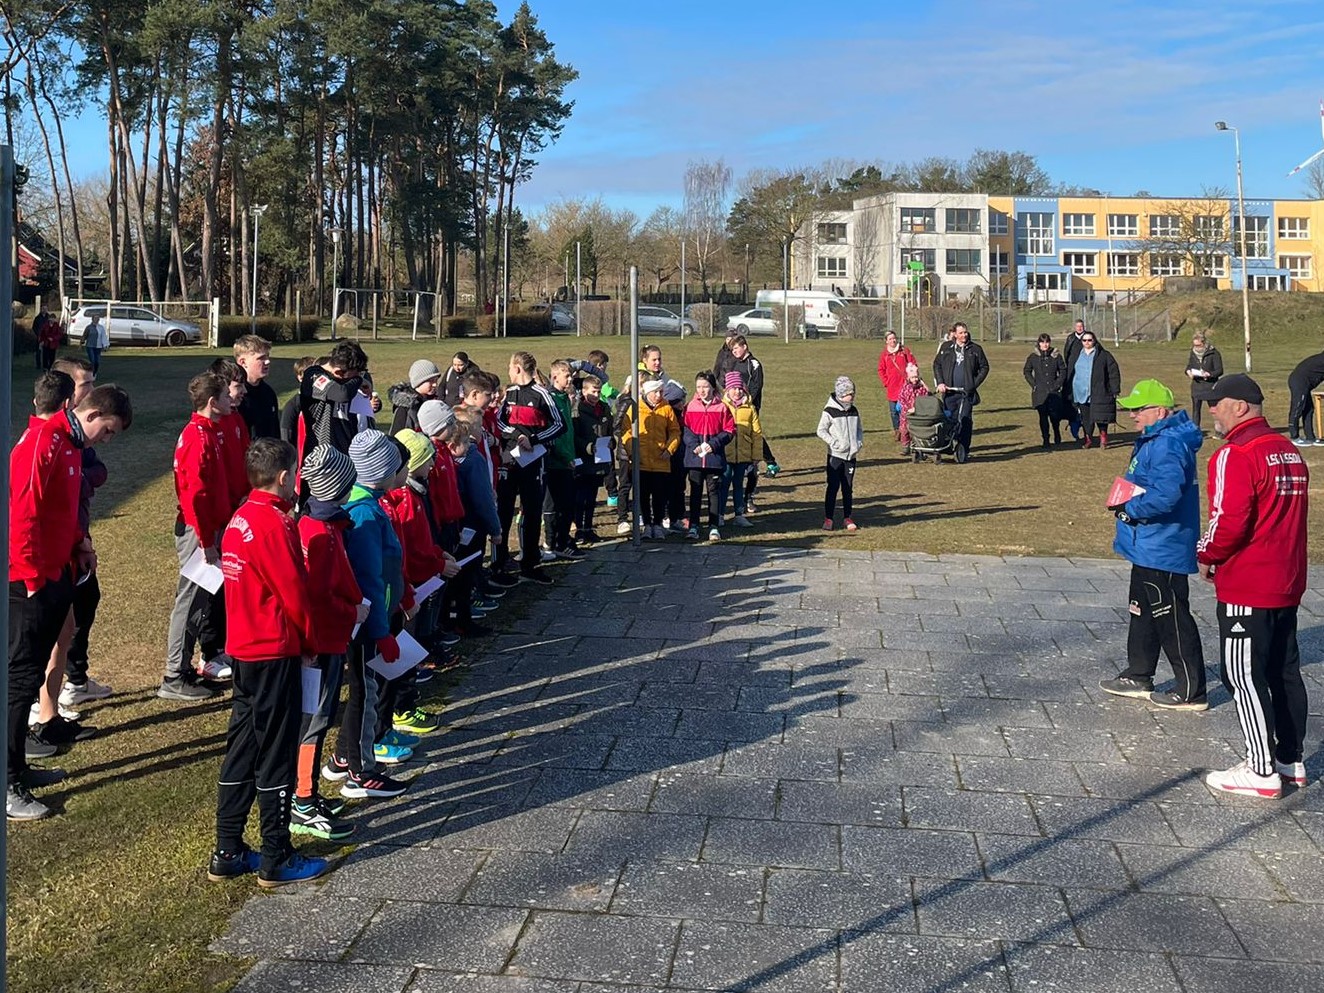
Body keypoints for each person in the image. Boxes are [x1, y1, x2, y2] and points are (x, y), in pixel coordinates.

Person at [208, 437, 329, 887]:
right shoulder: (274, 524)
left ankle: (228, 848)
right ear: (285, 477)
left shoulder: (240, 518)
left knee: (241, 746)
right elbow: (293, 592)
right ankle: (277, 854)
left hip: (243, 648)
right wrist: (310, 641)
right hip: (273, 650)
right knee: (276, 751)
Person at [8, 382, 132, 820]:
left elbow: (63, 508)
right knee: (20, 677)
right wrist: (31, 578)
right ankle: (7, 781)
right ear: (93, 413)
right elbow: (23, 513)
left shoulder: (70, 446)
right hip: (30, 581)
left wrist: (80, 542)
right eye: (110, 431)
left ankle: (18, 765)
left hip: (59, 571)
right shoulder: (43, 441)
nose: (107, 441)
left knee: (30, 672)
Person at [1196, 374, 1310, 797]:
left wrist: (1206, 554)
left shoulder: (1236, 453)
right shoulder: (1289, 451)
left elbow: (1228, 521)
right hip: (1286, 578)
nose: (1211, 410)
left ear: (1241, 406)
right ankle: (1290, 758)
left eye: (1216, 403)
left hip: (1249, 582)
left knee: (1242, 674)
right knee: (1284, 670)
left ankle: (1260, 769)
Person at [1099, 379, 1207, 711]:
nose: (1132, 415)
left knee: (1170, 615)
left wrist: (1130, 511)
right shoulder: (1155, 440)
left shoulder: (1168, 444)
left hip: (1163, 545)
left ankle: (1191, 689)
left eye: (1138, 409)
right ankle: (1139, 673)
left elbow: (1166, 495)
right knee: (1141, 609)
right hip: (1146, 544)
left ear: (1159, 411)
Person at [323, 430, 412, 799]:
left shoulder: (370, 505)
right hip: (366, 624)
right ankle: (362, 771)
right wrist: (381, 632)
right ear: (381, 471)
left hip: (375, 616)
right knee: (365, 690)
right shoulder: (363, 513)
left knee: (365, 687)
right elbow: (369, 580)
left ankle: (344, 756)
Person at [291, 445, 363, 842]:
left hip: (334, 636)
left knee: (322, 715)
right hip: (322, 641)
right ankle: (301, 800)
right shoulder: (317, 533)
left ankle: (308, 792)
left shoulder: (327, 524)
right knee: (314, 719)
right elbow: (319, 596)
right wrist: (353, 611)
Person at [160, 372, 233, 701]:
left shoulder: (209, 433)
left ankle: (185, 668)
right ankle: (174, 674)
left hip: (208, 530)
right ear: (213, 402)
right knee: (188, 602)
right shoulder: (197, 438)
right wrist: (205, 543)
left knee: (198, 602)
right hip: (197, 532)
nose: (232, 400)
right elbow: (194, 496)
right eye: (226, 396)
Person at [52, 359, 115, 707]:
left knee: (85, 603)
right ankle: (47, 701)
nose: (92, 391)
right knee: (58, 623)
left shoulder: (82, 437)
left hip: (79, 535)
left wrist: (83, 479)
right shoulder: (57, 437)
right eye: (85, 385)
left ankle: (75, 678)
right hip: (62, 544)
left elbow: (98, 471)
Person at [495, 351, 564, 584]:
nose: (508, 372)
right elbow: (498, 421)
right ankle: (499, 562)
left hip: (534, 461)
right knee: (503, 511)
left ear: (518, 369)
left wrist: (533, 439)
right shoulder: (509, 394)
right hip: (509, 460)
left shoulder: (542, 393)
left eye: (509, 367)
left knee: (532, 511)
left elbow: (559, 425)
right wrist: (515, 434)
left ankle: (530, 563)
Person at [620, 379, 681, 540]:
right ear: (647, 393)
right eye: (655, 392)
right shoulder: (635, 409)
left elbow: (675, 431)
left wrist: (670, 449)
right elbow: (626, 431)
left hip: (661, 460)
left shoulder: (666, 408)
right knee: (643, 495)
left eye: (661, 392)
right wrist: (633, 451)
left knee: (660, 495)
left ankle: (658, 524)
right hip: (641, 462)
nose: (659, 395)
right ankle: (647, 524)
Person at [681, 371, 734, 541]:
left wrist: (713, 444)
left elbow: (729, 430)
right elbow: (685, 429)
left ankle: (714, 526)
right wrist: (694, 445)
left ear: (712, 387)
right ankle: (694, 525)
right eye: (698, 387)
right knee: (695, 491)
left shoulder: (722, 407)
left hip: (714, 458)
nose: (702, 390)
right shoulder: (690, 406)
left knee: (713, 492)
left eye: (705, 386)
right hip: (695, 458)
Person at [300, 340, 372, 455]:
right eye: (354, 376)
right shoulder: (313, 374)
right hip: (321, 455)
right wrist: (358, 380)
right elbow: (341, 394)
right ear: (338, 372)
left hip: (346, 451)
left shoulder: (346, 382)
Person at [541, 360, 581, 559]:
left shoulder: (566, 398)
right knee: (553, 505)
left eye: (571, 375)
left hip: (568, 459)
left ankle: (563, 540)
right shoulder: (550, 399)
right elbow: (553, 434)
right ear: (555, 376)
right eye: (567, 376)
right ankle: (551, 541)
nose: (570, 379)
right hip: (555, 462)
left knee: (567, 504)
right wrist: (565, 457)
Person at [932, 322, 988, 461]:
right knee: (948, 419)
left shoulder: (975, 349)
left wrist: (973, 384)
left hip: (965, 393)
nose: (964, 335)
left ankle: (963, 449)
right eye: (961, 333)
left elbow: (984, 367)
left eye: (965, 332)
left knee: (964, 420)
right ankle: (947, 446)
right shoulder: (946, 348)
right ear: (955, 334)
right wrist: (940, 382)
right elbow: (937, 364)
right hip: (949, 392)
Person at [817, 376, 862, 532]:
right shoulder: (829, 411)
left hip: (851, 457)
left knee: (848, 487)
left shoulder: (854, 410)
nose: (853, 396)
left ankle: (847, 517)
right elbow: (821, 430)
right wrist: (834, 443)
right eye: (850, 393)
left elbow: (859, 429)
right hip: (835, 456)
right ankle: (828, 518)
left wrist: (858, 443)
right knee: (833, 487)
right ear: (842, 394)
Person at [571, 373, 612, 544]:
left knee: (593, 496)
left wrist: (611, 442)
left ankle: (588, 527)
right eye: (593, 391)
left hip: (600, 459)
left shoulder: (604, 408)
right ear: (584, 391)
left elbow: (609, 429)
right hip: (584, 459)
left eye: (598, 391)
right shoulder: (578, 410)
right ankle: (579, 528)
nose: (596, 395)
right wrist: (588, 447)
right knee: (581, 496)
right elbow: (575, 436)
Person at [1064, 330, 1120, 449]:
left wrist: (1115, 389)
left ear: (1094, 341)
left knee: (1100, 416)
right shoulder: (1077, 354)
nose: (1087, 342)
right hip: (1081, 391)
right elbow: (1070, 372)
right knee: (1086, 418)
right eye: (1084, 340)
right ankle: (1088, 438)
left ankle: (1103, 438)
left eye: (1090, 340)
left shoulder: (1104, 355)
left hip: (1098, 391)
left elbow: (1113, 372)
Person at [719, 371, 762, 527]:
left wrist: (756, 455)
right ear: (727, 390)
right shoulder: (721, 406)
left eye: (739, 388)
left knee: (739, 485)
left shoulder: (750, 408)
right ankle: (720, 514)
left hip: (743, 454)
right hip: (725, 454)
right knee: (723, 484)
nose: (737, 392)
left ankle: (739, 514)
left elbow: (756, 433)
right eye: (733, 388)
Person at [1023, 333, 1067, 448]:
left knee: (1054, 416)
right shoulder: (1033, 356)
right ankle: (1045, 439)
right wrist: (1033, 384)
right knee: (1043, 417)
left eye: (1047, 342)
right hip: (1040, 392)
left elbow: (1063, 371)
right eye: (1042, 342)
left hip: (1053, 391)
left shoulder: (1056, 356)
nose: (1045, 345)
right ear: (1039, 343)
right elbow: (1027, 371)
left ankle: (1057, 434)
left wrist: (1058, 384)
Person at [234, 335, 280, 440]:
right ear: (243, 362)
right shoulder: (234, 397)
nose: (267, 361)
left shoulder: (269, 393)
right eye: (261, 358)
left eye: (267, 356)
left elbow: (275, 433)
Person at [876, 330, 918, 443]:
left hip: (905, 387)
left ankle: (907, 430)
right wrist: (886, 382)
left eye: (894, 338)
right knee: (894, 411)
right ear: (886, 341)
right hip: (892, 387)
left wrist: (912, 378)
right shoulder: (884, 355)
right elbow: (881, 369)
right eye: (890, 339)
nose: (893, 340)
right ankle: (897, 430)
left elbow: (913, 364)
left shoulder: (904, 351)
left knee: (906, 410)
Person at [388, 359, 442, 434]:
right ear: (418, 382)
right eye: (431, 381)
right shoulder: (405, 408)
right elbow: (396, 435)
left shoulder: (435, 402)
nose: (435, 384)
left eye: (436, 380)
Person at [1184, 331, 1223, 430]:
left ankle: (1219, 430)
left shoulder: (1214, 353)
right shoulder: (1193, 352)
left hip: (1210, 386)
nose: (1196, 347)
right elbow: (1190, 365)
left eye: (1198, 345)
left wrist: (1209, 374)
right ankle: (1195, 431)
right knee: (1196, 410)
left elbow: (1219, 370)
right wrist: (1188, 372)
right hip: (1197, 386)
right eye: (1194, 345)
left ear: (1204, 343)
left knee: (1214, 410)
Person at [1286, 348, 1324, 446]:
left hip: (1304, 383)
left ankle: (1310, 437)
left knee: (1309, 409)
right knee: (1298, 407)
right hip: (1299, 381)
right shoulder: (1321, 360)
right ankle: (1294, 437)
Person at [1060, 319, 1089, 439]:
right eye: (1077, 326)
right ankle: (1074, 425)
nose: (1079, 328)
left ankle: (1086, 428)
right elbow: (1066, 353)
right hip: (1072, 370)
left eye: (1081, 326)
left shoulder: (1088, 338)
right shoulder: (1070, 338)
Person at [896, 363, 930, 455]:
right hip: (906, 413)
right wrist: (908, 409)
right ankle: (905, 447)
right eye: (912, 377)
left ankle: (919, 446)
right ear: (908, 378)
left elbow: (927, 396)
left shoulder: (921, 388)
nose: (914, 379)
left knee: (918, 430)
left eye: (916, 377)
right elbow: (901, 399)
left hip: (918, 412)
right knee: (904, 430)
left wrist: (917, 408)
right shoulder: (905, 387)